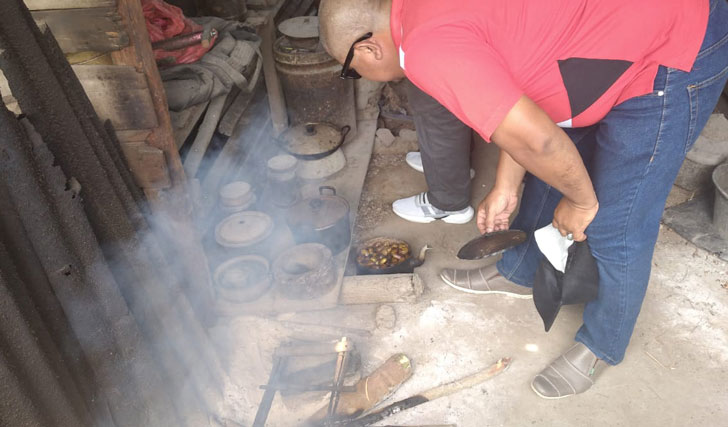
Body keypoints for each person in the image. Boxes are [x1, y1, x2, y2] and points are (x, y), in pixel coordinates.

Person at [319, 0, 728, 399]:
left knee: (617, 221)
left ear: (368, 48)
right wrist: (506, 185)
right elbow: (526, 102)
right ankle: (520, 270)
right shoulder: (418, 13)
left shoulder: (427, 50)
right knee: (547, 181)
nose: (364, 77)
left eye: (353, 72)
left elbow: (542, 142)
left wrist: (581, 203)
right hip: (599, 46)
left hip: (671, 40)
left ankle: (603, 344)